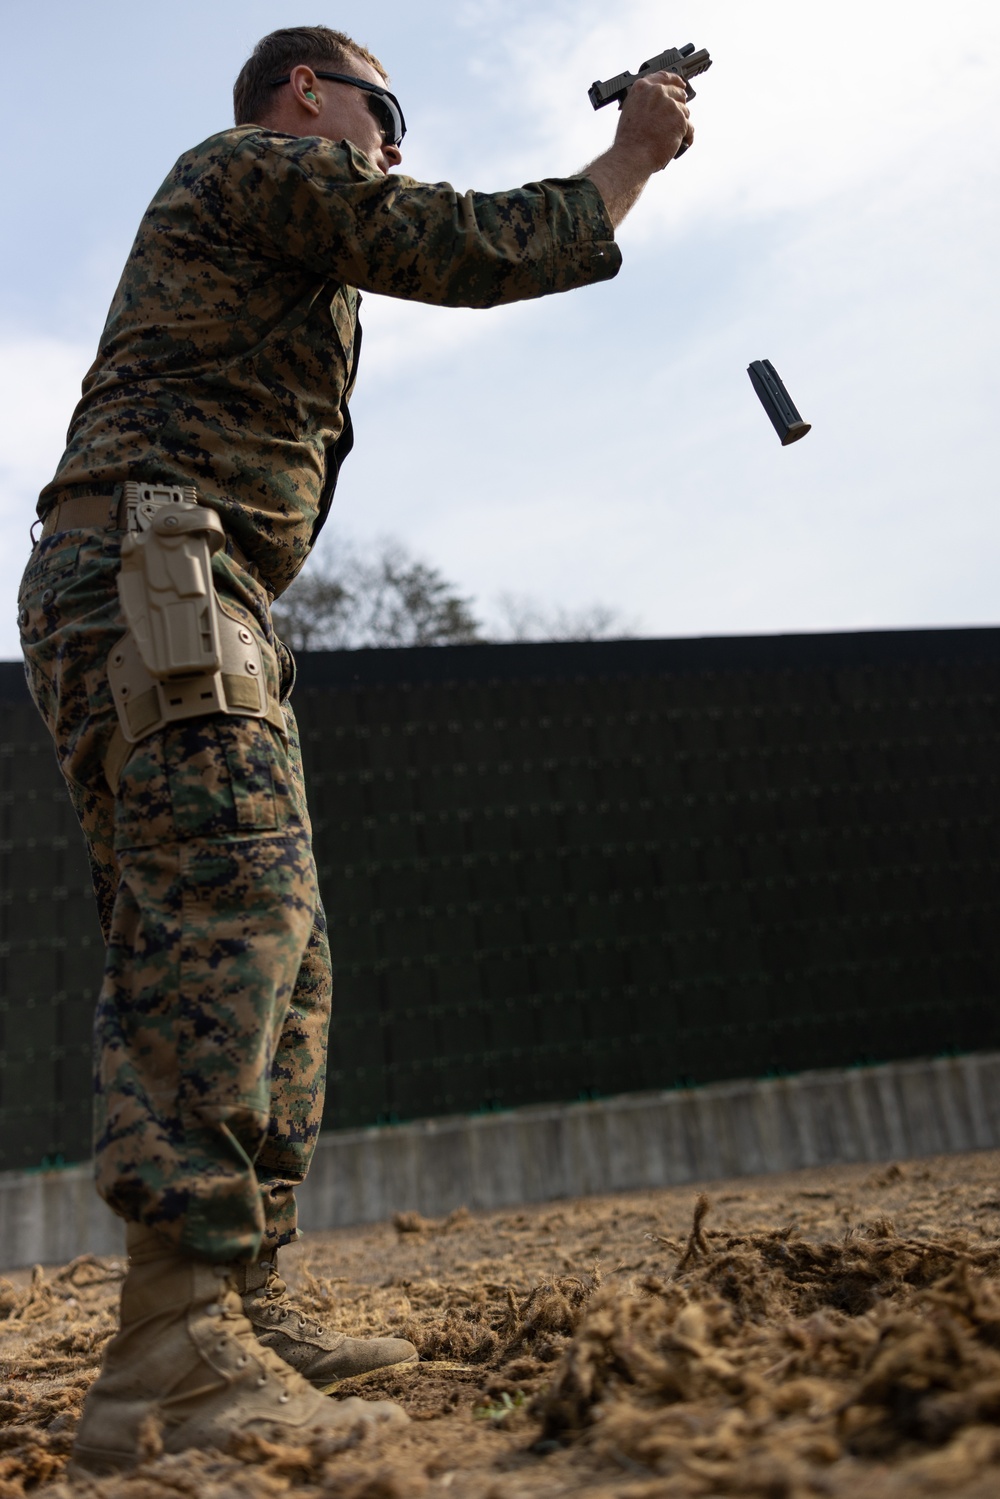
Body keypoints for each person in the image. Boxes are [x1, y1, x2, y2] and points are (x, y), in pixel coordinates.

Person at [17, 23, 695, 1474]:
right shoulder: (258, 165)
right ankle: (171, 1350)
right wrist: (630, 160)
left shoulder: (277, 223)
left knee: (285, 949)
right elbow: (469, 243)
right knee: (227, 915)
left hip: (186, 587)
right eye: (385, 108)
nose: (396, 139)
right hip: (155, 575)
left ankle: (240, 1301)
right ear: (310, 93)